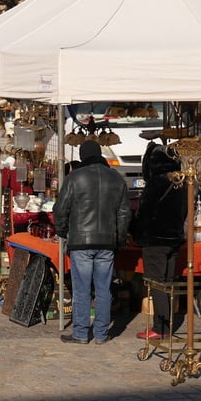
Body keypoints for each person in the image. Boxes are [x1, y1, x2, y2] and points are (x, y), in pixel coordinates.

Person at [54, 140, 130, 345]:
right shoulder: (116, 178)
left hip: (80, 242)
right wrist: (119, 240)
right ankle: (101, 334)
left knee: (82, 289)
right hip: (107, 242)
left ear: (83, 155)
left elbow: (60, 210)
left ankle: (80, 332)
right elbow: (124, 214)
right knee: (104, 289)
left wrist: (63, 232)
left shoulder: (74, 177)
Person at [130, 143, 186, 340]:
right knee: (168, 283)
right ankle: (166, 326)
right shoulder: (181, 182)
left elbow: (145, 214)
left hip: (156, 241)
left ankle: (160, 328)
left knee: (157, 284)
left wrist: (136, 232)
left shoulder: (156, 183)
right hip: (174, 240)